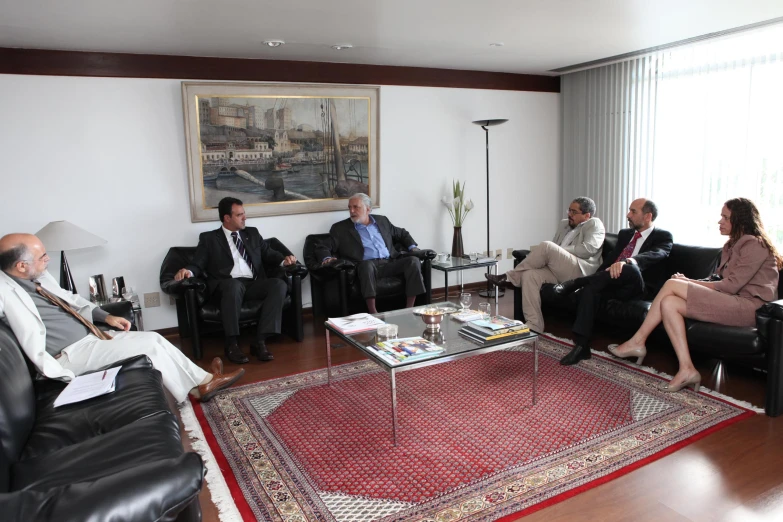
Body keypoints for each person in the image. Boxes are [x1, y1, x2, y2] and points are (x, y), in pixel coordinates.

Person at [0, 233, 244, 403]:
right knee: (148, 345)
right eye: (42, 256)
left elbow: (70, 299)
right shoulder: (5, 291)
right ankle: (202, 384)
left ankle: (203, 382)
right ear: (21, 266)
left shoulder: (39, 278)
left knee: (154, 339)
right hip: (68, 356)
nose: (48, 259)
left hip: (90, 338)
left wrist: (107, 317)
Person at [609, 198, 781, 392]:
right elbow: (718, 278)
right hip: (732, 301)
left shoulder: (754, 244)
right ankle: (687, 369)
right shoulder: (731, 246)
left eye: (725, 217)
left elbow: (731, 286)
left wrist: (687, 282)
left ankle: (638, 341)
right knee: (670, 303)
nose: (720, 221)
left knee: (672, 284)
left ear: (741, 220)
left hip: (750, 307)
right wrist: (687, 279)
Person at [174, 197, 296, 364]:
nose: (244, 218)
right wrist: (187, 271)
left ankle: (259, 341)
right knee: (234, 285)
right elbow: (198, 263)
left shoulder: (252, 233)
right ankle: (231, 344)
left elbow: (269, 254)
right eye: (240, 215)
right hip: (226, 286)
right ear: (227, 218)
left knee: (279, 284)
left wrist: (284, 260)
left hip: (252, 284)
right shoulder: (209, 239)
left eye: (244, 214)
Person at [556, 198, 673, 366]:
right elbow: (610, 261)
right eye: (629, 210)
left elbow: (658, 254)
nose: (628, 215)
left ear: (648, 216)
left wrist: (628, 262)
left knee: (629, 267)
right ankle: (582, 346)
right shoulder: (625, 234)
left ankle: (576, 283)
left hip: (638, 287)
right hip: (613, 282)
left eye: (633, 211)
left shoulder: (662, 236)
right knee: (591, 290)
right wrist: (601, 273)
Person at [485, 197, 605, 334]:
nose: (569, 214)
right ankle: (534, 325)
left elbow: (588, 249)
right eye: (569, 210)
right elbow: (553, 251)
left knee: (547, 246)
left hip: (580, 270)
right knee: (530, 275)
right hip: (560, 269)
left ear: (587, 215)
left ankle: (509, 278)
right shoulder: (564, 224)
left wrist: (559, 250)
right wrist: (556, 251)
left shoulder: (594, 224)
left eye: (574, 212)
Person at [317, 193, 425, 314]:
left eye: (356, 207)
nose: (351, 210)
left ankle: (409, 309)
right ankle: (373, 313)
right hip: (366, 265)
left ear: (368, 209)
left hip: (390, 262)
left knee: (413, 261)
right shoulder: (340, 228)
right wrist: (327, 258)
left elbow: (402, 233)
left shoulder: (382, 220)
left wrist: (413, 248)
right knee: (366, 265)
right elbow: (323, 245)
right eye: (349, 207)